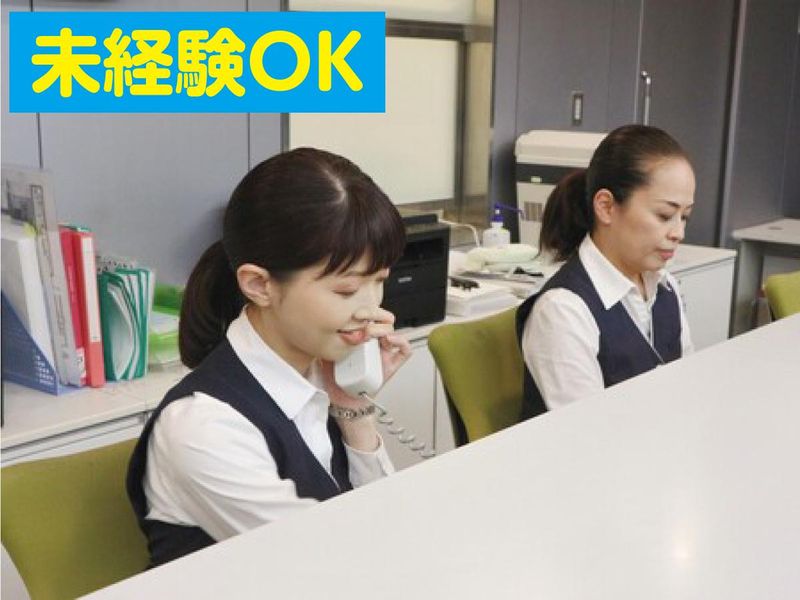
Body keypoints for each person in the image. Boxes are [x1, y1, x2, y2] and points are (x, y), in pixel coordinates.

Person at [127, 148, 411, 567]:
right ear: (259, 285)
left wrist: (354, 408)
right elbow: (328, 564)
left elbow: (382, 524)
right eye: (347, 290)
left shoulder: (319, 373)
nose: (371, 310)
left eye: (380, 281)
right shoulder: (204, 427)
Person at [516, 124, 695, 419]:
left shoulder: (666, 287)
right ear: (606, 207)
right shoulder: (562, 310)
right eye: (664, 215)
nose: (678, 232)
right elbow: (590, 430)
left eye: (684, 216)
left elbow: (685, 389)